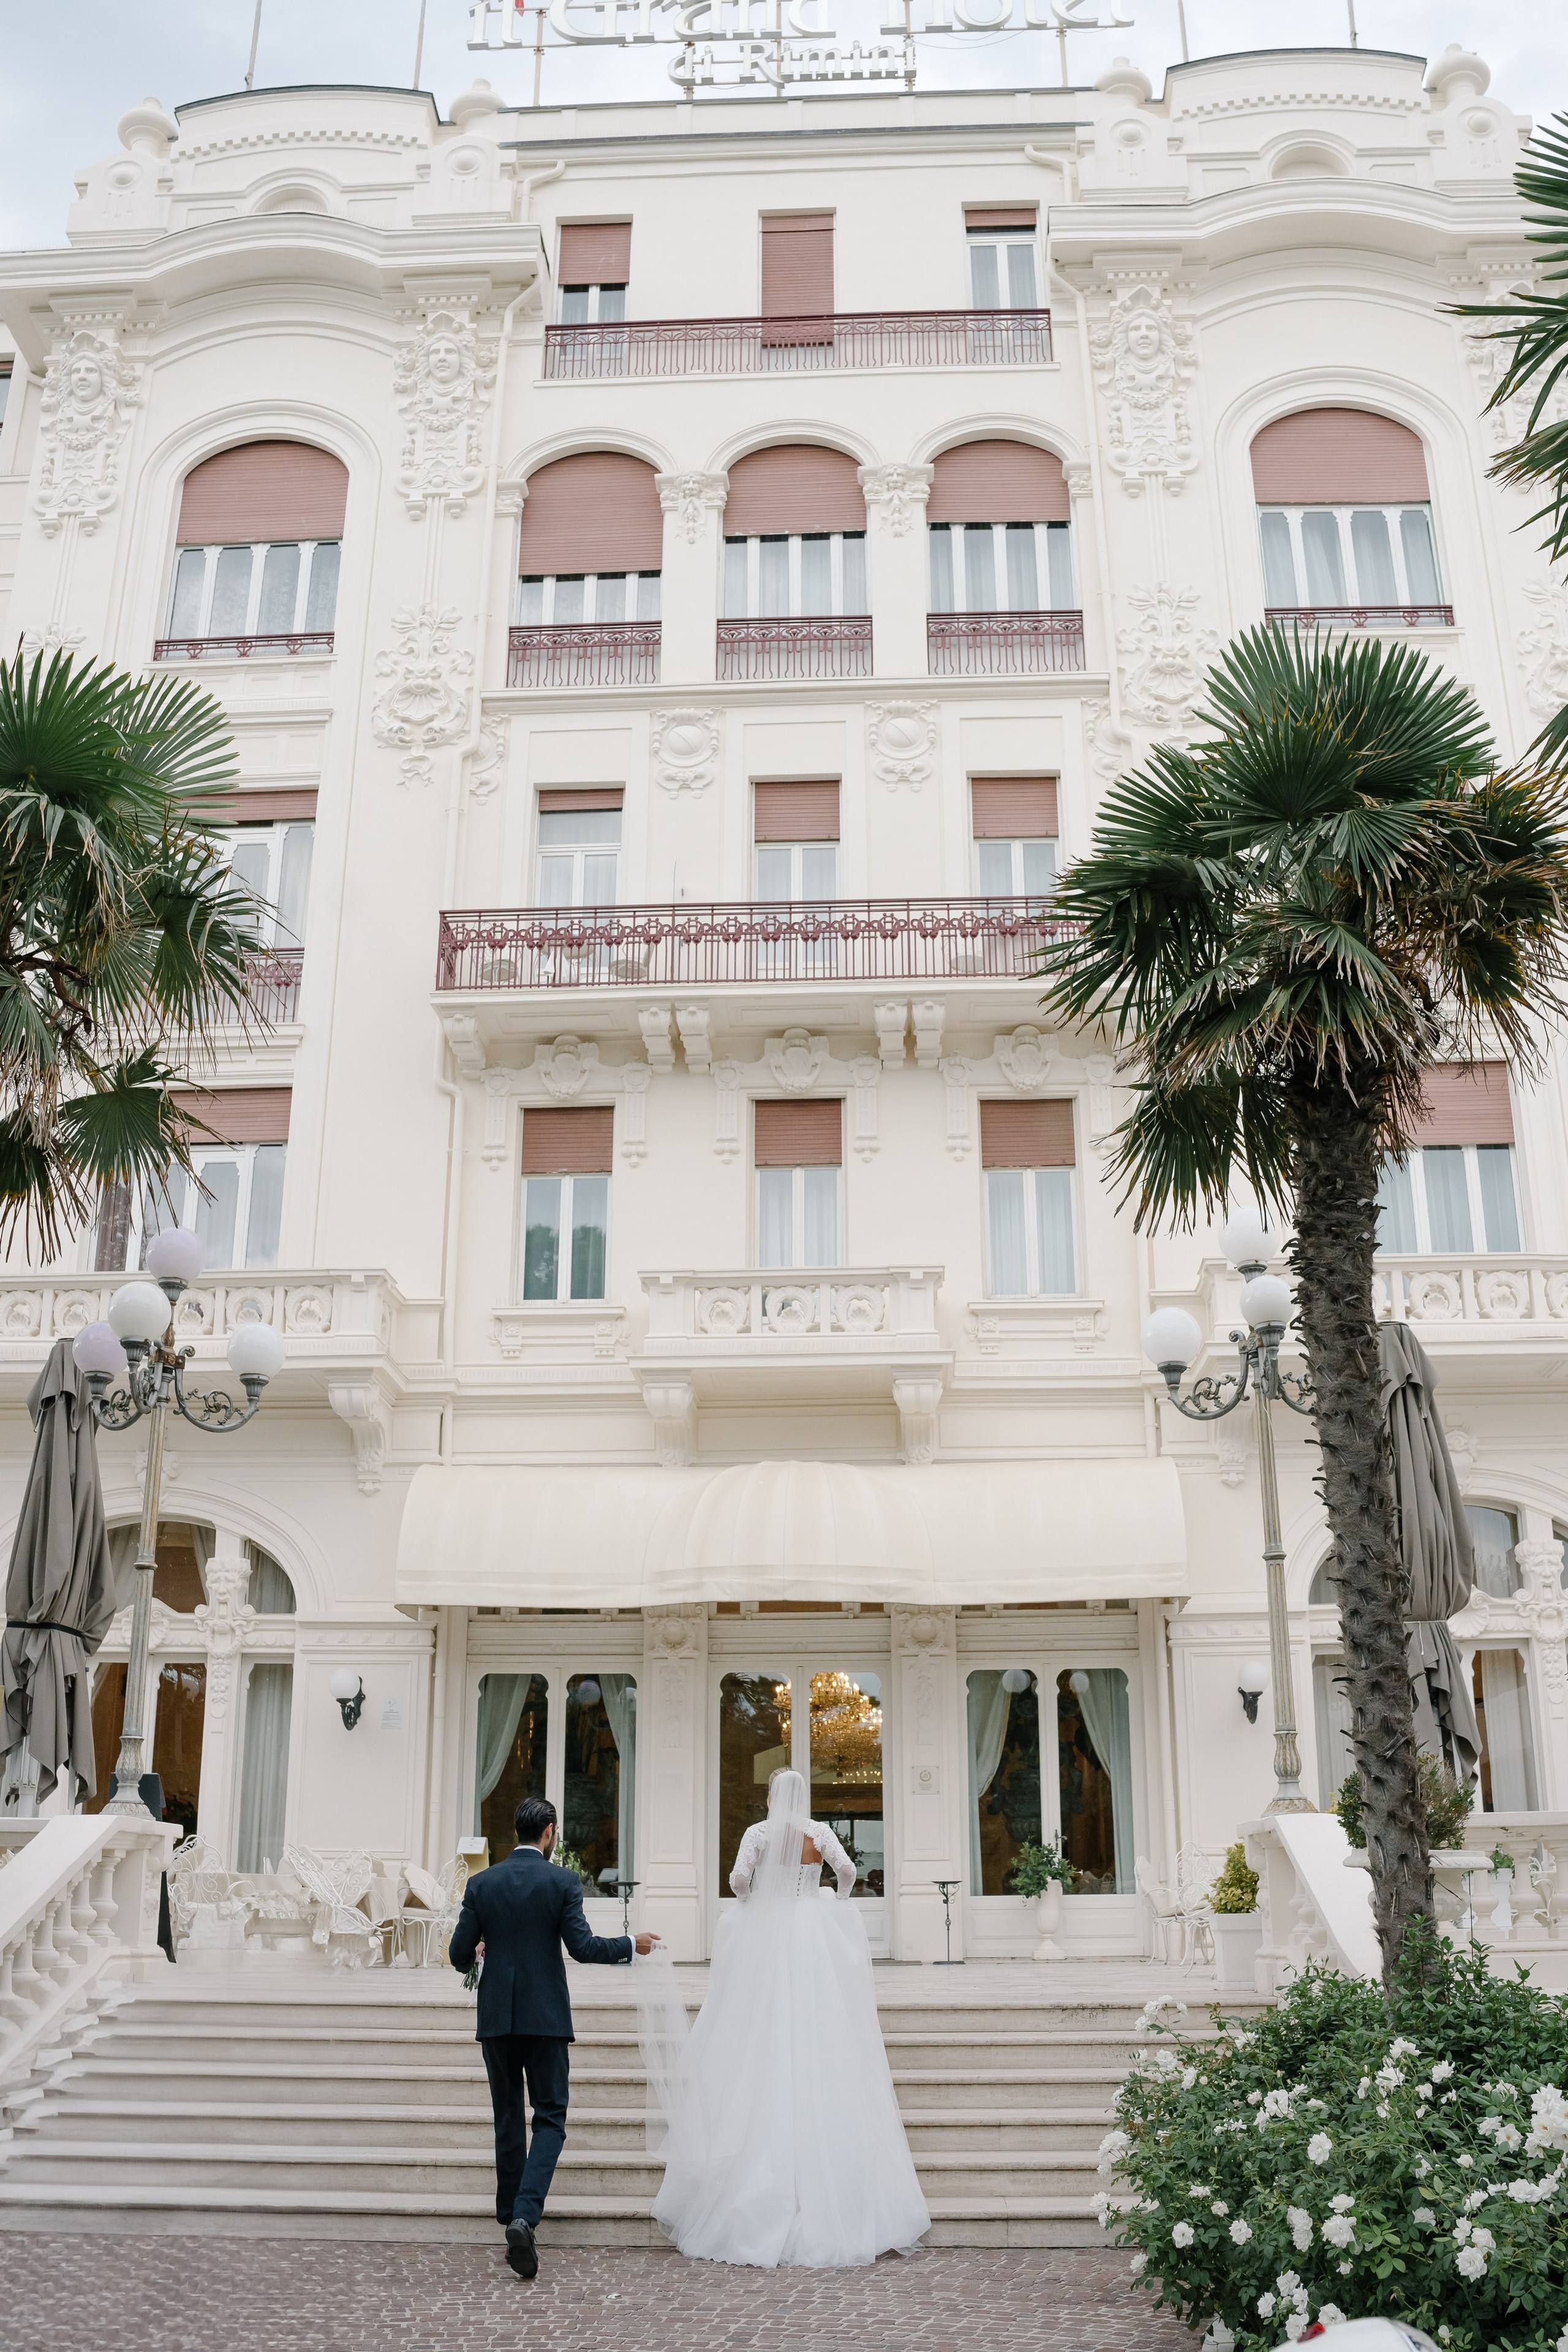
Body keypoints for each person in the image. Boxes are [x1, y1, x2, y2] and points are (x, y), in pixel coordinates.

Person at [641, 1767, 929, 2267]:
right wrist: (832, 1901)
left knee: (756, 2028)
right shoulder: (817, 1832)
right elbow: (849, 1874)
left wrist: (753, 1900)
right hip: (810, 1931)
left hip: (767, 1932)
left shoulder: (758, 1833)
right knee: (820, 2026)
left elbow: (736, 1881)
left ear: (773, 1795)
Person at [448, 1794, 655, 2280]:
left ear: (516, 1833)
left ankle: (510, 2216)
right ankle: (524, 2216)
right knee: (550, 2120)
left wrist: (481, 1948)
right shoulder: (561, 1880)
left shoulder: (482, 1883)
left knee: (506, 2117)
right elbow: (581, 1948)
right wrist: (631, 1944)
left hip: (498, 2018)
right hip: (545, 2020)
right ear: (549, 1834)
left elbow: (459, 1954)